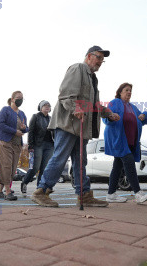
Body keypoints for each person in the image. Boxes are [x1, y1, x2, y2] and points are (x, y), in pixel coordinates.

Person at [31, 45, 120, 207]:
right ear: (88, 56)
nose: (100, 61)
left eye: (102, 59)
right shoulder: (78, 68)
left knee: (81, 161)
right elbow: (65, 94)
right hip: (68, 124)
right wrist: (75, 108)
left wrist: (108, 113)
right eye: (98, 57)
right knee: (60, 157)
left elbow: (94, 105)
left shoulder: (93, 78)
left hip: (82, 127)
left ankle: (84, 194)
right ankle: (41, 190)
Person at [103, 83, 147, 204]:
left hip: (130, 142)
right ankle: (138, 193)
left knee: (117, 167)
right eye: (126, 90)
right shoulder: (115, 102)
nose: (129, 92)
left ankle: (111, 194)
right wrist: (111, 117)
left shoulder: (133, 107)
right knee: (129, 163)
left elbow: (145, 118)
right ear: (120, 92)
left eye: (130, 90)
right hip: (118, 140)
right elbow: (105, 116)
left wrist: (144, 115)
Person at [0, 91, 28, 201]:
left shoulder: (22, 113)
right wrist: (14, 131)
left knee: (12, 168)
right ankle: (8, 192)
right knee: (6, 166)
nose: (20, 100)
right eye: (18, 98)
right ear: (12, 99)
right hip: (5, 142)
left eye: (22, 98)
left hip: (17, 144)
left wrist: (24, 128)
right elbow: (0, 124)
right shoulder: (5, 110)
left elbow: (26, 128)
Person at [21, 100, 54, 195]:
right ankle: (25, 182)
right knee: (35, 167)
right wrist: (30, 145)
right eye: (45, 105)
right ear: (40, 107)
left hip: (50, 145)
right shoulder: (35, 117)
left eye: (48, 105)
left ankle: (40, 189)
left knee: (44, 169)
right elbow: (31, 131)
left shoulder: (51, 118)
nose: (47, 107)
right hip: (38, 145)